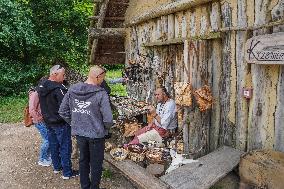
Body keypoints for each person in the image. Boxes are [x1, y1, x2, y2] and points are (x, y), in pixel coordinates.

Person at [59, 65, 113, 189]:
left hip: (80, 134)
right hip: (96, 135)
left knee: (83, 160)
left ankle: (85, 186)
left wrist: (74, 123)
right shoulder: (101, 93)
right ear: (98, 76)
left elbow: (63, 111)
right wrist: (106, 128)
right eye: (102, 78)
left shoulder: (72, 89)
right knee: (96, 164)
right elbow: (108, 119)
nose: (102, 81)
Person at [38, 65, 76, 179]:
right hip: (60, 123)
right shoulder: (59, 89)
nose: (64, 77)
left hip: (48, 122)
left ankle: (57, 167)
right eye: (63, 75)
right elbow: (66, 108)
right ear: (54, 74)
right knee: (65, 147)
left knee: (54, 145)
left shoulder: (42, 85)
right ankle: (67, 173)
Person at [28, 79, 51, 167]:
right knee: (47, 140)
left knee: (48, 139)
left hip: (43, 120)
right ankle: (42, 159)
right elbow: (32, 110)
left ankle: (47, 157)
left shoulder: (41, 93)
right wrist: (40, 118)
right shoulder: (35, 94)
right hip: (40, 121)